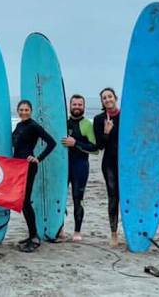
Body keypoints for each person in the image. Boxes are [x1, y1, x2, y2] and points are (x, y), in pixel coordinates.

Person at [12, 100, 57, 252]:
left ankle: (34, 237)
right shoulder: (19, 126)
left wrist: (38, 158)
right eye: (21, 109)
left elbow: (52, 142)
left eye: (26, 110)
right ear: (18, 111)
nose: (23, 112)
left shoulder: (33, 125)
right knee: (23, 202)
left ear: (31, 111)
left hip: (28, 167)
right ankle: (32, 234)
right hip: (18, 167)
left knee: (25, 201)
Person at [59, 94, 97, 242]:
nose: (76, 107)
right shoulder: (63, 121)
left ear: (84, 107)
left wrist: (76, 143)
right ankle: (59, 227)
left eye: (79, 105)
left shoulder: (87, 124)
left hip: (80, 166)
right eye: (74, 104)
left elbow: (94, 149)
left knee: (77, 198)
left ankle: (77, 231)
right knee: (60, 197)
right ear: (70, 106)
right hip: (63, 166)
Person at [93, 87, 121, 247]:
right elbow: (100, 146)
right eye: (104, 98)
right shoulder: (99, 119)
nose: (108, 99)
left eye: (110, 96)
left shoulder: (126, 115)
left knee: (128, 196)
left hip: (126, 164)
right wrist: (106, 132)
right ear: (102, 102)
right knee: (113, 197)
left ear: (115, 97)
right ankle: (114, 233)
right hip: (109, 163)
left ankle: (133, 230)